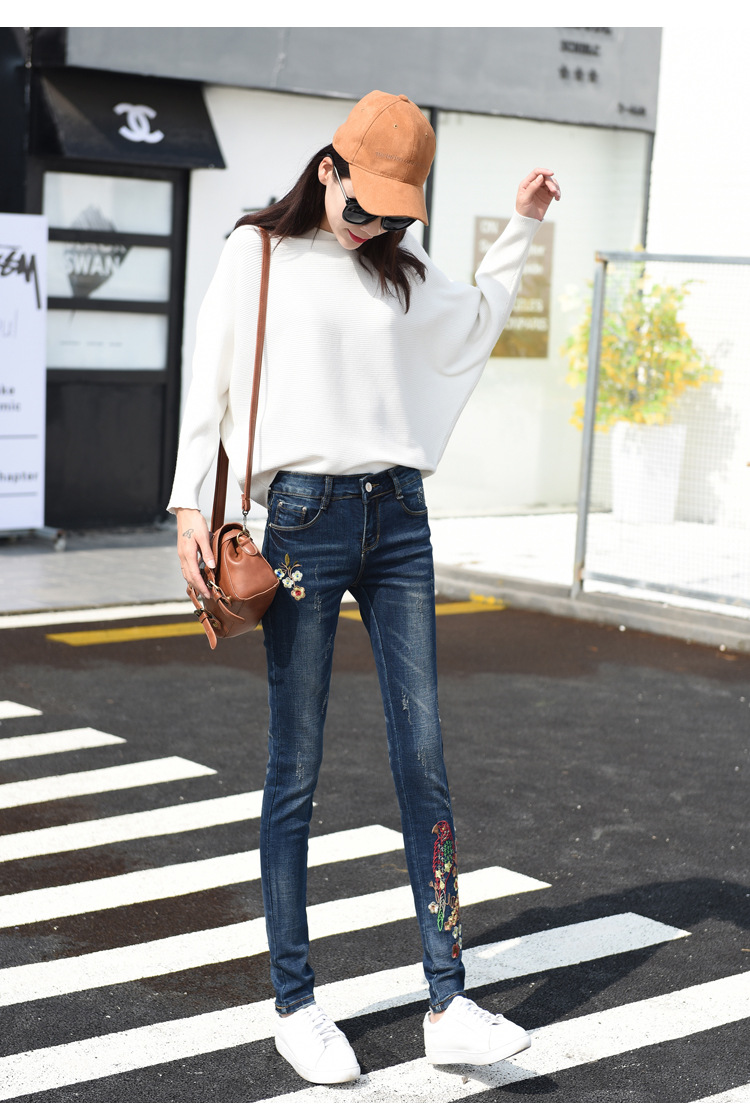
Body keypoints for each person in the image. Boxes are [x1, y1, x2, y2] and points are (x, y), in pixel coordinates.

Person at [169, 90, 560, 1086]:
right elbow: (209, 381)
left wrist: (522, 224)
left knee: (424, 760)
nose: (373, 224)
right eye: (363, 203)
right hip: (302, 520)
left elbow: (478, 321)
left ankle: (449, 999)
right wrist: (186, 507)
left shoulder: (402, 265)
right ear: (328, 169)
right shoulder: (257, 253)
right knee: (294, 767)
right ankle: (295, 1002)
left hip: (400, 520)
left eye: (393, 212)